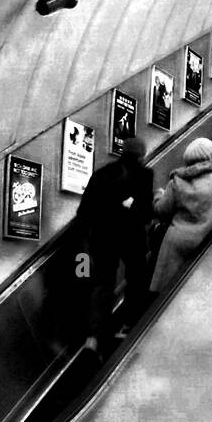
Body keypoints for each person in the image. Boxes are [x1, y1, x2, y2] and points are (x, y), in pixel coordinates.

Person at [73, 136, 154, 354]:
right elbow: (146, 212)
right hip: (132, 237)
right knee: (136, 278)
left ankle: (94, 337)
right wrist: (130, 207)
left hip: (103, 238)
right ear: (142, 155)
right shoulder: (144, 175)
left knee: (102, 285)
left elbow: (83, 212)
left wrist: (86, 238)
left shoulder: (101, 173)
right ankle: (128, 325)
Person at [149, 137, 212, 293]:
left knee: (169, 296)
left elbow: (162, 211)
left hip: (178, 244)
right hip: (207, 240)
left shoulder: (176, 181)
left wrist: (158, 195)